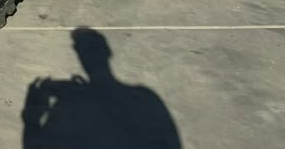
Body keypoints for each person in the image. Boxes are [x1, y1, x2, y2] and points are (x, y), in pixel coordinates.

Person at [22, 27, 181, 148]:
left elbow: (34, 143)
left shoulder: (66, 107)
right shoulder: (146, 98)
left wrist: (32, 115)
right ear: (108, 52)